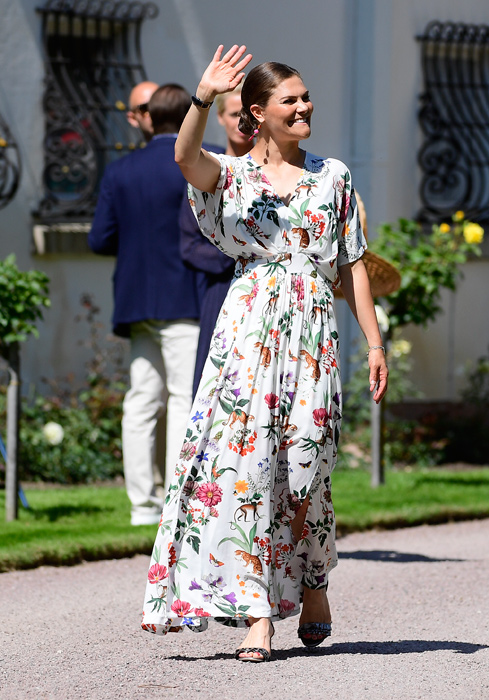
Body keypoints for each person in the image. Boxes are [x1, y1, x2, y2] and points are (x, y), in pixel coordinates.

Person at [140, 45, 389, 663]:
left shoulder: (334, 177)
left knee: (307, 466)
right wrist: (201, 97)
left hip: (312, 334)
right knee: (249, 470)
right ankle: (256, 615)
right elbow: (183, 156)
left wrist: (375, 342)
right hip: (249, 331)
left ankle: (313, 582)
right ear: (257, 112)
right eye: (291, 100)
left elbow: (353, 261)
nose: (305, 107)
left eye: (306, 97)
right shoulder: (232, 175)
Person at [89, 84, 201, 526]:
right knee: (182, 399)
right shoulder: (200, 158)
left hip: (137, 301)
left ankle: (141, 506)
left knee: (140, 402)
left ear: (150, 118)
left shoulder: (120, 171)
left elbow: (99, 239)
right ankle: (177, 502)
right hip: (185, 298)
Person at [180, 86, 252, 400]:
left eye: (249, 115)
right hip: (222, 292)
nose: (243, 122)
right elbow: (190, 245)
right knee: (216, 393)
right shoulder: (208, 171)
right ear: (221, 118)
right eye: (236, 114)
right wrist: (235, 254)